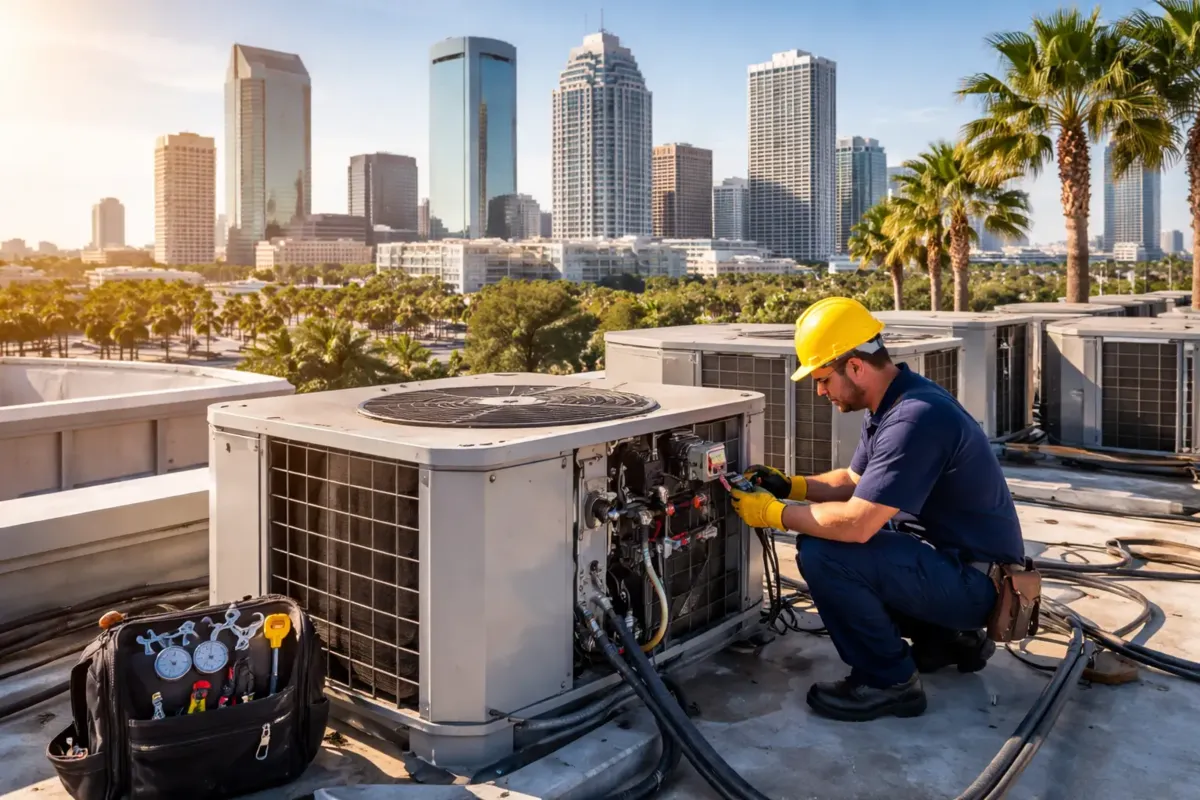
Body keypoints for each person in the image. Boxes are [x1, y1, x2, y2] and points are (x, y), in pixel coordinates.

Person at [727, 297, 1025, 722]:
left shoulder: (915, 418)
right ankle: (948, 640)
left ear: (855, 366)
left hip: (977, 586)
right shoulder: (899, 401)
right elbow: (853, 482)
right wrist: (791, 485)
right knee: (876, 546)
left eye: (823, 378)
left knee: (825, 552)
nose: (819, 390)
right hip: (966, 570)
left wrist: (772, 514)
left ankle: (889, 681)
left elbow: (857, 524)